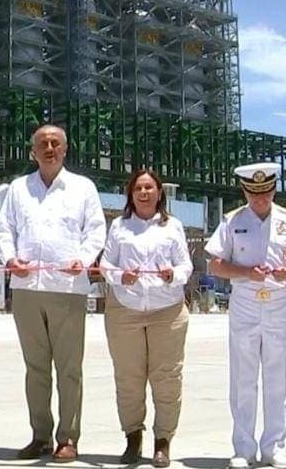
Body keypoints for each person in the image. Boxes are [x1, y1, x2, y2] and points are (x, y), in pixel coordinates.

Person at [0, 124, 107, 463]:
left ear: (65, 149)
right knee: (36, 367)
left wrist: (84, 259)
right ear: (33, 151)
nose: (49, 148)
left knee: (69, 368)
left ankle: (68, 438)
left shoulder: (82, 188)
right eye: (42, 143)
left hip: (68, 289)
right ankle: (40, 435)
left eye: (55, 143)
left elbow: (96, 230)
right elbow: (4, 230)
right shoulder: (18, 188)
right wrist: (11, 259)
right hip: (28, 288)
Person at [204, 162, 286, 469]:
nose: (260, 199)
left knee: (278, 375)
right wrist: (244, 272)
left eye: (265, 192)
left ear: (274, 189)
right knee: (243, 376)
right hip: (245, 300)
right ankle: (243, 447)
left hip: (279, 300)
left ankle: (275, 447)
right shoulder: (232, 221)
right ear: (244, 191)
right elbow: (215, 263)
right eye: (254, 194)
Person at [99, 168, 193, 467]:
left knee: (166, 379)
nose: (143, 193)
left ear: (159, 193)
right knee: (129, 378)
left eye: (149, 188)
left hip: (167, 311)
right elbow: (105, 264)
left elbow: (185, 266)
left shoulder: (172, 226)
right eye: (138, 188)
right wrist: (119, 276)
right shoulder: (119, 226)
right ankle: (132, 438)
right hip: (125, 310)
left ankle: (163, 441)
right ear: (131, 193)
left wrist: (172, 275)